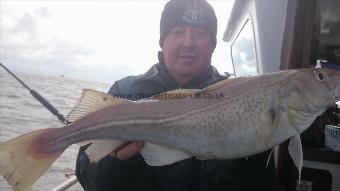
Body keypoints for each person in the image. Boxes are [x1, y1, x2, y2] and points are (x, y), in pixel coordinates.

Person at [76, 0, 277, 190]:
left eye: (200, 33)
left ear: (212, 46)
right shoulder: (126, 91)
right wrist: (118, 162)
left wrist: (250, 153)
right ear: (163, 42)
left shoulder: (235, 96)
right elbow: (88, 178)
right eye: (178, 32)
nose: (189, 43)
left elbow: (260, 185)